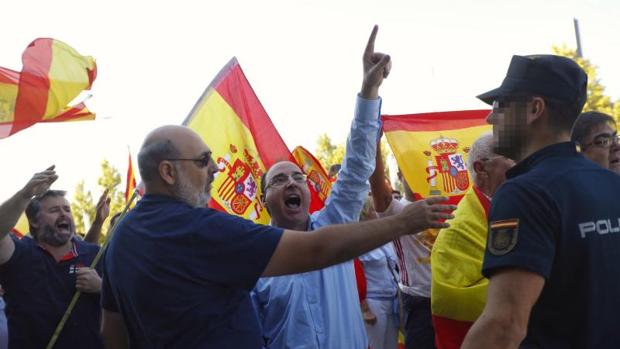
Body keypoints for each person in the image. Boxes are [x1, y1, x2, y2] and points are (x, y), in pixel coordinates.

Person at [100, 124, 456, 349]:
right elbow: (317, 250)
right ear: (168, 171)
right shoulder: (201, 230)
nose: (215, 168)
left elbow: (111, 333)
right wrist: (401, 223)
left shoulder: (120, 240)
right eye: (204, 160)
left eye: (298, 177)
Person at [461, 54, 620, 348]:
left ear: (535, 109)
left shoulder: (525, 192)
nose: (490, 117)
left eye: (500, 106)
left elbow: (504, 325)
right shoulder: (612, 184)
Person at [251, 25, 389, 349]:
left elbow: (357, 167)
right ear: (264, 199)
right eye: (280, 180)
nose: (292, 182)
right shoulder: (256, 259)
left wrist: (369, 90)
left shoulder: (335, 224)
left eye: (298, 177)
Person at [0, 167, 106, 349]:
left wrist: (103, 288)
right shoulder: (19, 253)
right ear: (34, 221)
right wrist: (25, 195)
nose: (64, 214)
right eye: (54, 210)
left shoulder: (95, 254)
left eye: (67, 209)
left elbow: (131, 299)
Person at [430, 133, 514, 349]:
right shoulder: (456, 230)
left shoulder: (515, 208)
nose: (522, 163)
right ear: (481, 168)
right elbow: (454, 299)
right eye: (511, 156)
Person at [369, 140, 437, 349]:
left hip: (452, 298)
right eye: (407, 169)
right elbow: (380, 194)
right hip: (419, 302)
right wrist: (373, 143)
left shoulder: (448, 204)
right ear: (399, 175)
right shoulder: (400, 210)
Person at [357, 197, 400, 349]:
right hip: (373, 303)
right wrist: (365, 309)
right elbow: (355, 276)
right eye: (373, 209)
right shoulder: (357, 242)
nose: (376, 212)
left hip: (392, 301)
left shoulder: (383, 237)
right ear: (364, 213)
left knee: (391, 346)